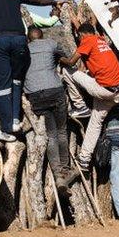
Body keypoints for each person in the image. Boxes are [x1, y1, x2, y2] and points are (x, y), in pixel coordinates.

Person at [0, 0, 61, 141]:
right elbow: (36, 0)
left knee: (1, 86)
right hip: (19, 40)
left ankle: (8, 129)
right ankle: (16, 119)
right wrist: (54, 2)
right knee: (16, 79)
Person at [60, 21, 119, 170]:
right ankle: (84, 159)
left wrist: (59, 58)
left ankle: (80, 106)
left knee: (67, 71)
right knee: (95, 122)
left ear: (81, 35)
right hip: (117, 92)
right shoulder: (101, 41)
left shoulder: (87, 40)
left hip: (103, 89)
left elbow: (71, 62)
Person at [25, 26, 76, 188]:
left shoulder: (23, 49)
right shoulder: (51, 44)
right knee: (61, 131)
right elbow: (64, 58)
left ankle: (58, 174)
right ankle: (66, 169)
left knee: (51, 135)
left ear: (28, 39)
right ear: (42, 36)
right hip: (55, 90)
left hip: (35, 94)